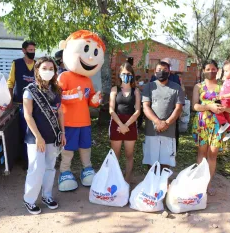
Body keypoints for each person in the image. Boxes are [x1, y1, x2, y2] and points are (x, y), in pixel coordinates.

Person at [57, 30, 103, 192]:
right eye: (86, 51)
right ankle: (65, 171)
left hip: (85, 121)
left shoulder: (87, 79)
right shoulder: (64, 77)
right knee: (68, 149)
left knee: (85, 147)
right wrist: (73, 95)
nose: (90, 57)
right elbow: (58, 98)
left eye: (95, 53)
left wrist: (95, 100)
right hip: (68, 122)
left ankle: (87, 169)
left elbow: (89, 99)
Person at [22, 56, 66, 215]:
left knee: (49, 168)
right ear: (38, 71)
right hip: (35, 138)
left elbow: (60, 112)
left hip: (53, 136)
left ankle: (47, 195)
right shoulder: (30, 91)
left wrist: (63, 133)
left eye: (51, 69)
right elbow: (28, 116)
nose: (48, 71)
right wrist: (38, 137)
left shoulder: (56, 90)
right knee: (36, 169)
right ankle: (29, 200)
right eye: (44, 68)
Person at [192, 59, 230, 196]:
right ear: (203, 71)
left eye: (213, 69)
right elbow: (195, 106)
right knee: (202, 153)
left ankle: (208, 183)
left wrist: (225, 108)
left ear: (218, 70)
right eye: (208, 69)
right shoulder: (198, 86)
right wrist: (209, 106)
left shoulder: (223, 87)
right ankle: (199, 182)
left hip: (218, 124)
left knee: (213, 154)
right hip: (202, 123)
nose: (211, 71)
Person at [142, 61, 185, 170]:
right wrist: (157, 122)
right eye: (159, 70)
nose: (162, 72)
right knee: (151, 159)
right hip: (152, 129)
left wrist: (166, 123)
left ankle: (163, 183)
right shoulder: (149, 87)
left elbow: (178, 108)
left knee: (166, 160)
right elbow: (146, 107)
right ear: (154, 72)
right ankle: (152, 182)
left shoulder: (177, 88)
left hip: (169, 130)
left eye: (165, 70)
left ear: (169, 72)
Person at [109, 62, 141, 183]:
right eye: (123, 74)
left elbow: (137, 111)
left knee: (129, 154)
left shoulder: (136, 91)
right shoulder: (114, 89)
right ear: (119, 75)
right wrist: (120, 125)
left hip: (130, 124)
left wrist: (126, 125)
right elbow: (111, 110)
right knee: (115, 154)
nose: (126, 76)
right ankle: (115, 179)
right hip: (116, 124)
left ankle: (126, 180)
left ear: (132, 75)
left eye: (128, 74)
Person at [7, 40, 36, 164]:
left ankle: (34, 158)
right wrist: (9, 100)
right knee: (23, 132)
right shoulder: (17, 63)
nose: (32, 52)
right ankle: (24, 160)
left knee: (35, 131)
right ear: (24, 51)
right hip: (20, 105)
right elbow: (10, 82)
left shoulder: (38, 64)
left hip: (36, 105)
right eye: (30, 50)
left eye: (34, 50)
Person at [214, 60, 230, 141]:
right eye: (224, 71)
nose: (224, 73)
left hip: (227, 100)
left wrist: (222, 96)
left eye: (226, 71)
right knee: (225, 115)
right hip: (225, 100)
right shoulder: (228, 80)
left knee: (217, 110)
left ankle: (224, 124)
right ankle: (229, 131)